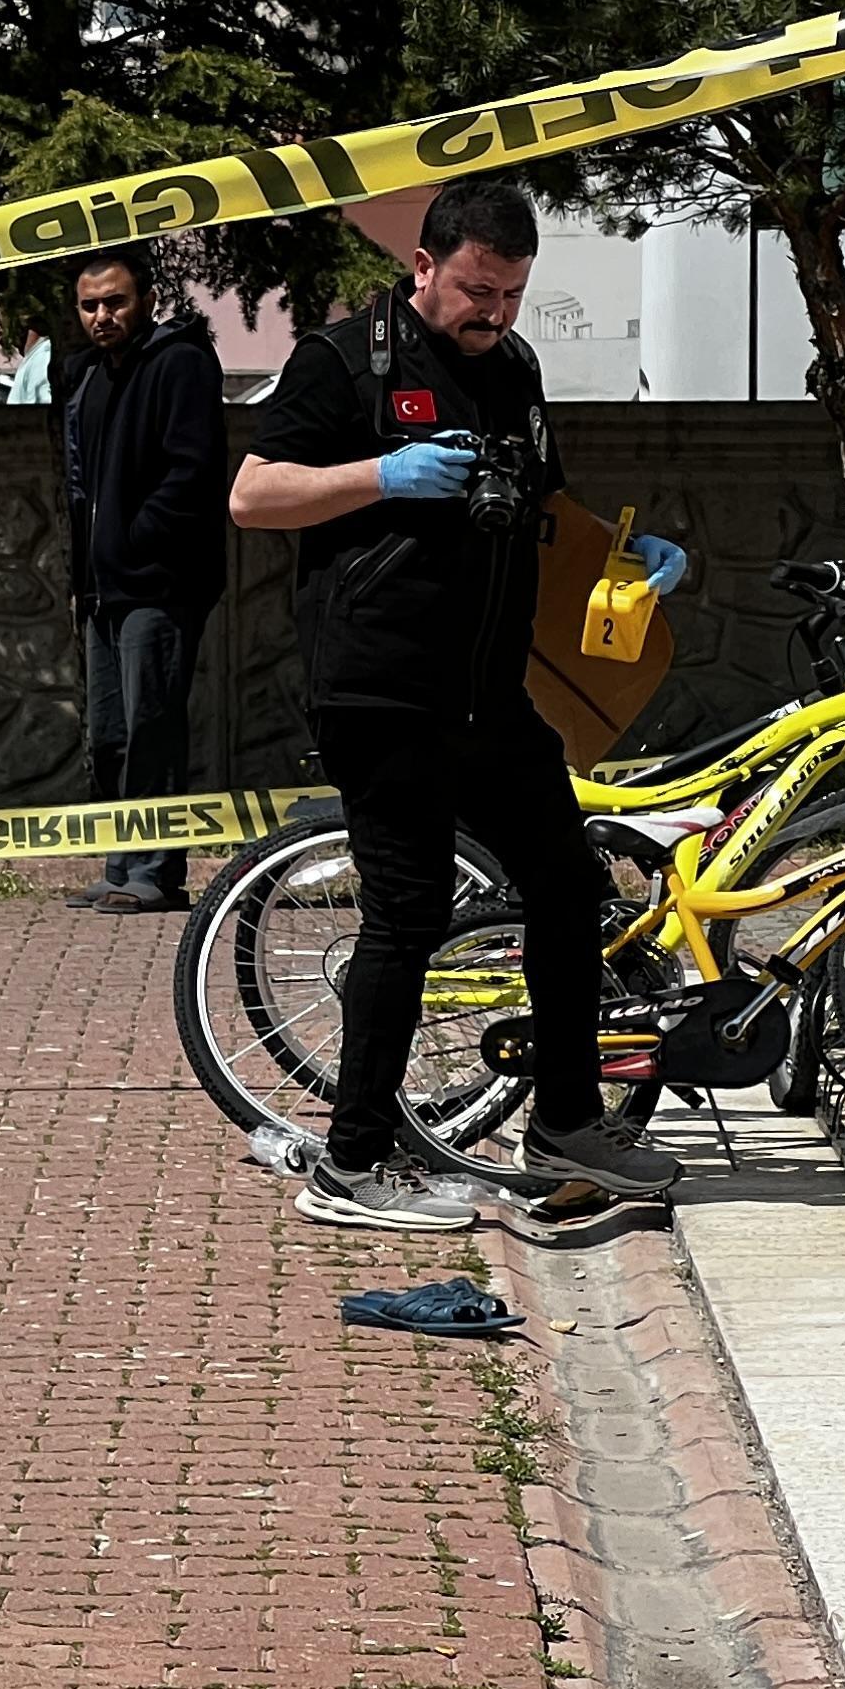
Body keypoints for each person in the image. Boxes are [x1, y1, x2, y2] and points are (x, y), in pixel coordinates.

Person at [228, 178, 689, 1231]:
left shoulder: (514, 368)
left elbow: (546, 507)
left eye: (513, 293)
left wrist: (627, 559)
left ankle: (566, 1122)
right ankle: (351, 1165)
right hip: (379, 686)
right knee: (409, 909)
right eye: (479, 290)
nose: (496, 312)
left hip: (491, 693)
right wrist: (385, 475)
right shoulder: (344, 361)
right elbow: (253, 495)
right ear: (425, 266)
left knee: (568, 887)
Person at [55, 248, 228, 914]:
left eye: (115, 302)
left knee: (152, 727)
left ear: (148, 301)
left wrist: (136, 541)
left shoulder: (179, 363)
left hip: (158, 585)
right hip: (103, 590)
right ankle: (122, 864)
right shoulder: (89, 377)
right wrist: (87, 570)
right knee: (111, 735)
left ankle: (155, 872)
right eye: (90, 306)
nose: (102, 315)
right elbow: (81, 486)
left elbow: (192, 472)